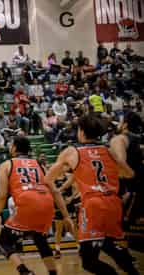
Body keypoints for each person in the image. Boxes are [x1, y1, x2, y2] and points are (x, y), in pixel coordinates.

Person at [44, 114, 139, 275]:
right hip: (114, 204)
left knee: (88, 260)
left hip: (94, 205)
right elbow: (129, 174)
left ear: (81, 132)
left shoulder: (71, 151)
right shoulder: (108, 151)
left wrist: (67, 169)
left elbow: (48, 178)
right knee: (108, 243)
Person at [0, 136, 59, 275]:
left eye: (10, 145)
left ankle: (24, 272)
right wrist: (66, 215)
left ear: (14, 148)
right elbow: (54, 190)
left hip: (27, 203)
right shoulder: (40, 164)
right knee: (40, 239)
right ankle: (53, 272)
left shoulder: (7, 164)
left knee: (3, 239)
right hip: (48, 205)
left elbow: (2, 195)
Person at [110, 112, 144, 249]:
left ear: (125, 125)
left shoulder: (120, 139)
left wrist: (130, 174)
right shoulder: (139, 139)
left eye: (120, 121)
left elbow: (120, 162)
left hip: (132, 190)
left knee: (125, 240)